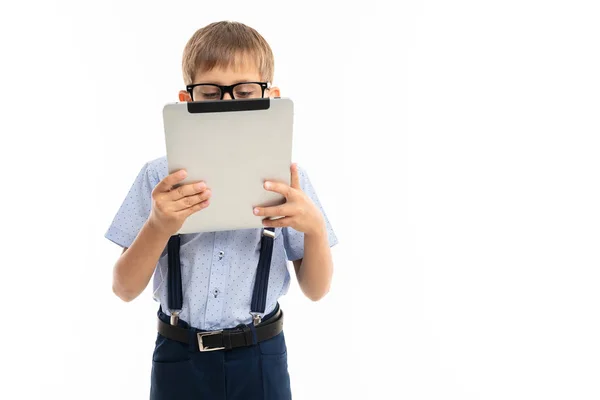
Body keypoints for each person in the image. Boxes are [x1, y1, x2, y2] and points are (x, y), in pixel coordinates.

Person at [104, 21, 338, 399]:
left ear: (270, 96)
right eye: (211, 93)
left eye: (245, 91)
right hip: (178, 355)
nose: (229, 105)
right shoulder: (157, 177)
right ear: (188, 100)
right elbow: (123, 288)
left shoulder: (290, 178)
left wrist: (315, 229)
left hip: (261, 356)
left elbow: (316, 289)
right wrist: (159, 226)